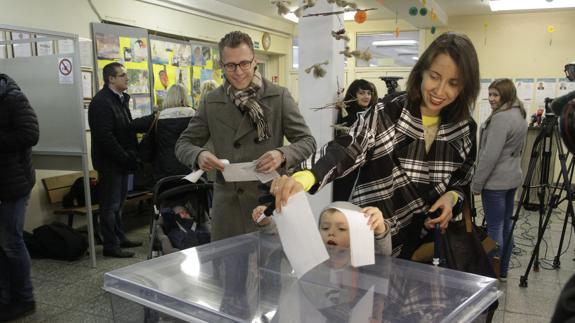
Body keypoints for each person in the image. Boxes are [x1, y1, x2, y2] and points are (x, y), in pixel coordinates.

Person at [270, 32, 480, 257]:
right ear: (421, 72)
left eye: (453, 83)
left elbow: (462, 179)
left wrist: (451, 198)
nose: (439, 91)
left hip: (426, 243)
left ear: (465, 86)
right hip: (373, 234)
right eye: (435, 76)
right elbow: (349, 147)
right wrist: (306, 176)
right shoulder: (390, 111)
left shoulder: (464, 128)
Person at [175, 31, 316, 241]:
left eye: (244, 63)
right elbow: (183, 143)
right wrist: (199, 155)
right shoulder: (211, 102)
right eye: (230, 65)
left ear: (254, 61)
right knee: (226, 268)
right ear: (221, 65)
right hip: (227, 204)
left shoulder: (278, 96)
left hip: (267, 199)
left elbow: (307, 141)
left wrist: (282, 154)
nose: (238, 72)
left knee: (268, 267)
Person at [471, 78, 527, 281]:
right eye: (490, 94)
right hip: (511, 179)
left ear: (506, 95)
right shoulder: (519, 113)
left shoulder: (501, 119)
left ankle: (491, 272)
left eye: (496, 95)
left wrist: (477, 184)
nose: (491, 98)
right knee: (505, 225)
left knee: (495, 228)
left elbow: (489, 156)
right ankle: (502, 271)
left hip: (495, 183)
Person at [88, 62, 142, 258]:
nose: (127, 78)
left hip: (121, 162)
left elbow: (126, 129)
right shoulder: (102, 102)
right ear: (111, 78)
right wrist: (124, 157)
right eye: (122, 75)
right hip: (110, 163)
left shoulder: (120, 99)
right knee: (109, 206)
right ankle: (111, 245)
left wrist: (131, 155)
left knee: (119, 204)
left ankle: (120, 237)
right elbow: (105, 137)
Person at [0, 74, 39, 321]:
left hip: (14, 183)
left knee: (11, 243)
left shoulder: (13, 98)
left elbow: (30, 134)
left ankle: (25, 299)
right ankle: (5, 298)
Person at [252, 201, 392, 256]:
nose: (331, 232)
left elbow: (383, 257)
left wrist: (379, 228)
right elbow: (283, 238)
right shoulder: (313, 252)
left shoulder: (360, 257)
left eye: (341, 229)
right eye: (325, 227)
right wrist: (267, 221)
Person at [133, 84, 194, 181]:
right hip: (191, 168)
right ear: (185, 97)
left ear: (168, 97)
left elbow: (133, 125)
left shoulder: (157, 117)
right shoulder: (195, 115)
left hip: (164, 171)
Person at [333, 79, 378, 201]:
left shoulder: (371, 113)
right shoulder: (348, 114)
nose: (366, 96)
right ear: (354, 95)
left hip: (365, 166)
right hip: (348, 166)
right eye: (362, 93)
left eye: (369, 93)